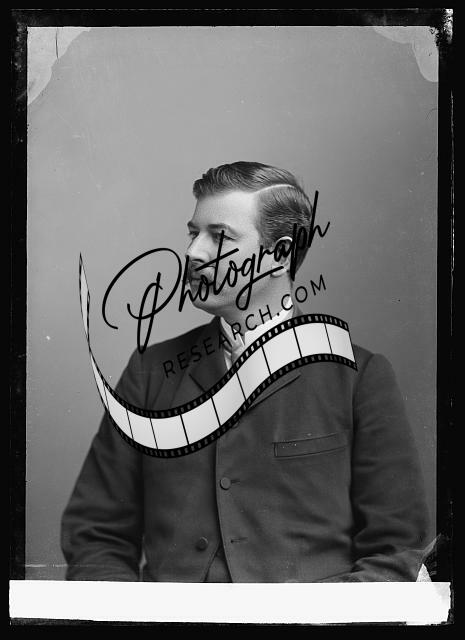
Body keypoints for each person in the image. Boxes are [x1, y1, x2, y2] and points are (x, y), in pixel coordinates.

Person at [61, 161, 430, 582]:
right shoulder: (150, 373)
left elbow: (396, 550)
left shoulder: (359, 378)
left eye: (219, 236)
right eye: (193, 233)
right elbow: (96, 534)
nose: (194, 253)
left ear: (281, 254)